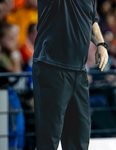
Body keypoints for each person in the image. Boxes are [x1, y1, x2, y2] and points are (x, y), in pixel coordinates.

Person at [32, 0, 109, 150]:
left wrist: (101, 44)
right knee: (49, 139)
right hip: (52, 67)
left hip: (79, 71)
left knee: (79, 138)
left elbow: (91, 19)